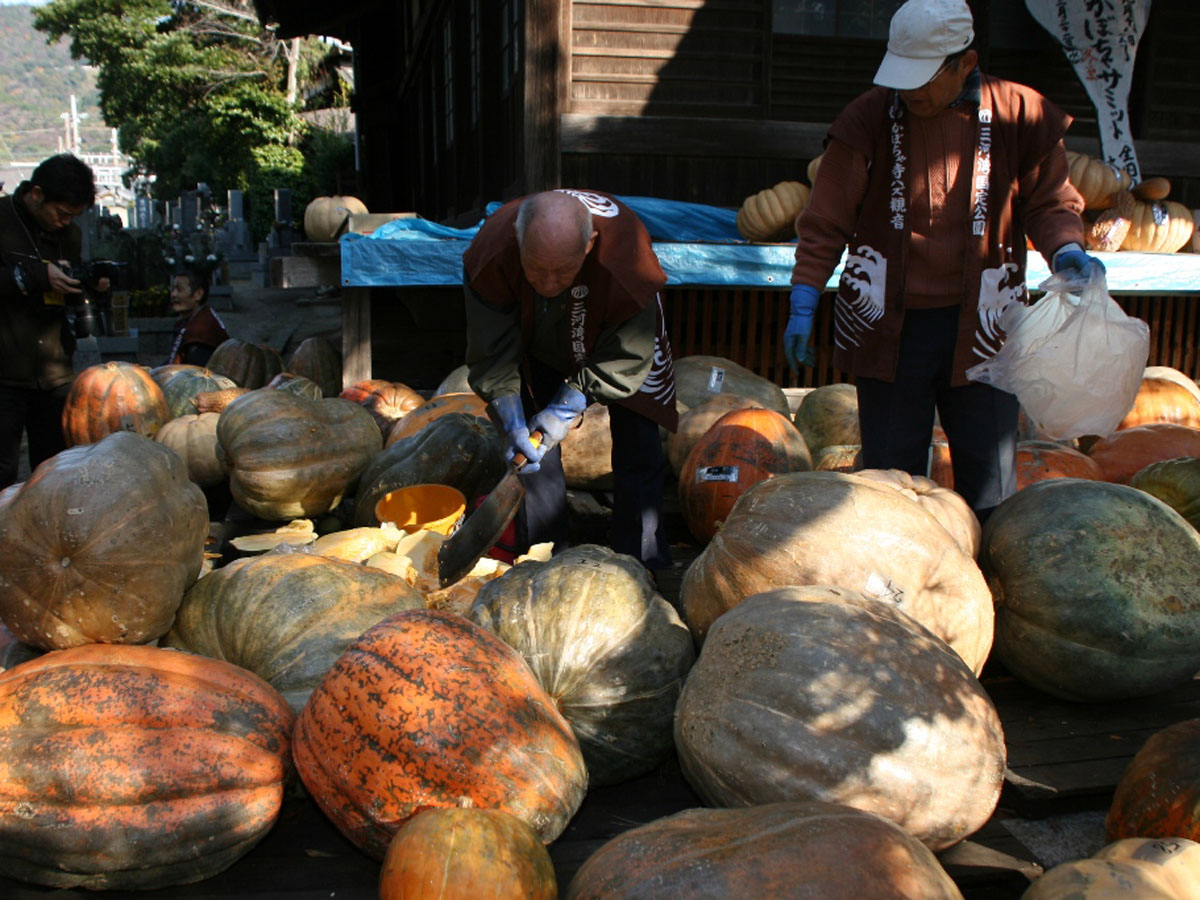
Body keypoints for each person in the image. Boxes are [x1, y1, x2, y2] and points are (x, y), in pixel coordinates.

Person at [784, 0, 1102, 524]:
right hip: (888, 326)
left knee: (990, 477)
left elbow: (1049, 202)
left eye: (925, 78)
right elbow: (826, 218)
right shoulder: (868, 117)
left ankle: (986, 583)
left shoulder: (1019, 114)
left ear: (965, 62)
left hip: (984, 326)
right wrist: (804, 293)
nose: (912, 92)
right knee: (890, 480)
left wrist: (1065, 246)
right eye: (902, 76)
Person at [463, 189, 678, 570]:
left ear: (589, 245)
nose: (547, 282)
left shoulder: (628, 264)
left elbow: (627, 355)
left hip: (615, 328)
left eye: (561, 271)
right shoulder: (490, 256)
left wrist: (567, 407)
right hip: (535, 330)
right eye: (536, 269)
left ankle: (643, 563)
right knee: (530, 449)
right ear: (518, 239)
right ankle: (546, 561)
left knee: (639, 442)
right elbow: (492, 347)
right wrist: (510, 414)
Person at [0, 153, 104, 488]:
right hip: (5, 370)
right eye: (60, 213)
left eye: (71, 217)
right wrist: (34, 275)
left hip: (54, 370)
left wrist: (89, 284)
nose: (64, 222)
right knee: (3, 469)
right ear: (36, 194)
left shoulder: (69, 235)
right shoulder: (3, 220)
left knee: (55, 469)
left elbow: (68, 290)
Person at [165, 267, 229, 366]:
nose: (173, 294)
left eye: (179, 289)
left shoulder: (202, 331)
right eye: (172, 289)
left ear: (198, 294)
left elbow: (195, 372)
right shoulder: (191, 320)